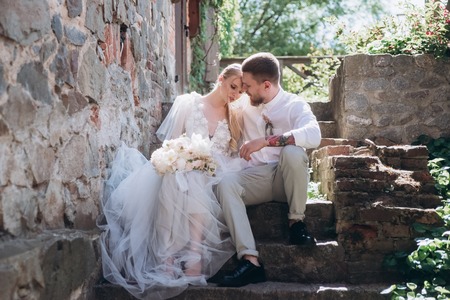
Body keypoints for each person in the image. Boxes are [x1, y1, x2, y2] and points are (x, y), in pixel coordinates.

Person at [99, 64, 245, 299]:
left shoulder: (235, 115)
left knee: (194, 178)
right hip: (183, 167)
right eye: (233, 87)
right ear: (220, 79)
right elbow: (172, 144)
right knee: (177, 175)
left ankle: (193, 254)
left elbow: (233, 155)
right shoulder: (189, 104)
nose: (235, 95)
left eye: (240, 92)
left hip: (216, 173)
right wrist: (181, 160)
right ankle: (167, 257)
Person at [215, 52, 322, 287]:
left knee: (294, 152)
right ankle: (250, 260)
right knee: (225, 184)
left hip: (288, 179)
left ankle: (296, 223)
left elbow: (314, 135)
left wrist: (266, 141)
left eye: (248, 86)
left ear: (266, 85)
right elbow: (218, 102)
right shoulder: (245, 104)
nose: (244, 90)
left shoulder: (294, 104)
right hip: (259, 177)